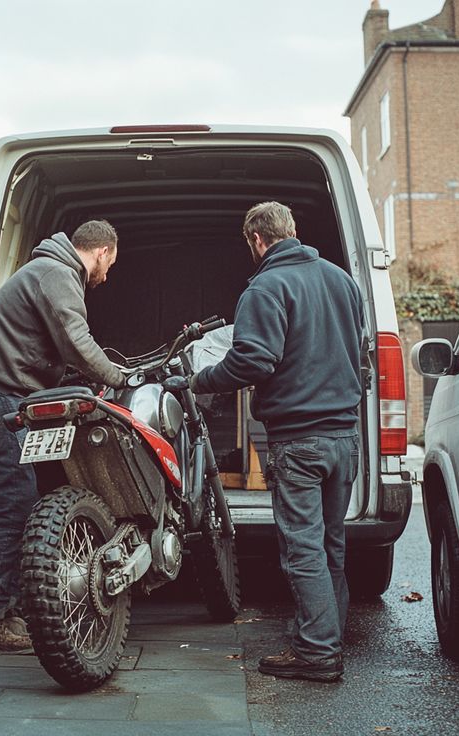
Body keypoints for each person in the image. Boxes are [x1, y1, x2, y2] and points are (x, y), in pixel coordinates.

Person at [190, 201, 363, 682]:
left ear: (257, 240)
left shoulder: (266, 286)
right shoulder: (342, 281)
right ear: (291, 231)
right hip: (344, 438)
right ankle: (327, 634)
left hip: (298, 439)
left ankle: (317, 654)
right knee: (331, 544)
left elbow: (253, 361)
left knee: (303, 548)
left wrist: (201, 381)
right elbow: (357, 347)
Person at [0, 219, 125, 652]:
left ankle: (9, 607)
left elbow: (48, 349)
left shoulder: (49, 270)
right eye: (110, 264)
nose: (106, 278)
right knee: (13, 497)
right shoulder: (58, 273)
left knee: (32, 492)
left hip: (4, 390)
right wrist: (119, 377)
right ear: (102, 252)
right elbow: (77, 341)